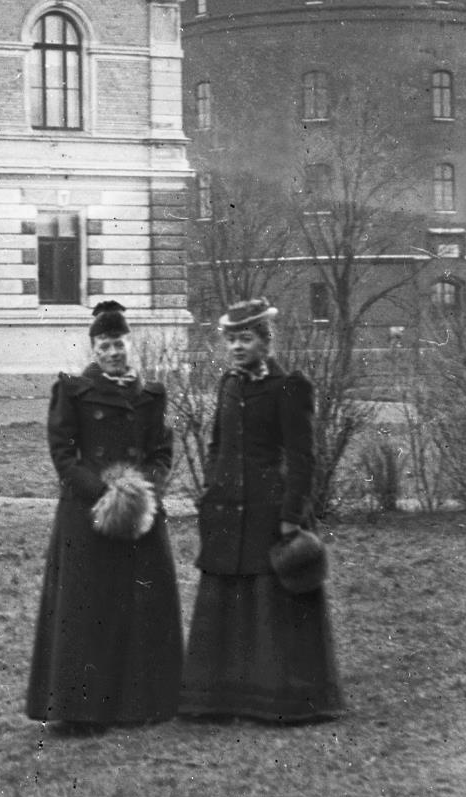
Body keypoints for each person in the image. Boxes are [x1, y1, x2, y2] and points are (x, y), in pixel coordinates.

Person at [179, 298, 344, 722]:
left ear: (265, 342)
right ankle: (220, 697)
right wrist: (212, 490)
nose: (236, 347)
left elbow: (302, 456)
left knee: (270, 605)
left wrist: (292, 512)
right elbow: (217, 445)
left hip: (270, 512)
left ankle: (281, 700)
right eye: (231, 339)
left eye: (246, 338)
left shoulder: (289, 387)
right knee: (228, 604)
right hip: (226, 512)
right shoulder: (228, 384)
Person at [25, 301, 183, 736]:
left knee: (140, 607)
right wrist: (103, 493)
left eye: (119, 344)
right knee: (87, 610)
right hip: (87, 514)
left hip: (140, 516)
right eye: (105, 345)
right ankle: (82, 709)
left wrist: (141, 490)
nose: (114, 351)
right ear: (94, 348)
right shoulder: (73, 390)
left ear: (129, 344)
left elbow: (161, 451)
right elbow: (63, 453)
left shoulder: (150, 394)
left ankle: (143, 703)